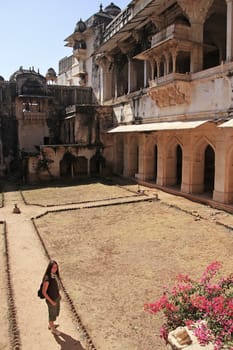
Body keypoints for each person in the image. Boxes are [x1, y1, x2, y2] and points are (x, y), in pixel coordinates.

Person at [42, 260, 61, 335]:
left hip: (56, 297)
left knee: (55, 312)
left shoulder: (55, 275)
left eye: (56, 267)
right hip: (51, 300)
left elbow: (56, 286)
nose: (55, 269)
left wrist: (58, 294)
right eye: (53, 268)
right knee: (52, 314)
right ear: (50, 268)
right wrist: (51, 301)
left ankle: (51, 325)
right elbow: (44, 292)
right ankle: (53, 329)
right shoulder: (47, 279)